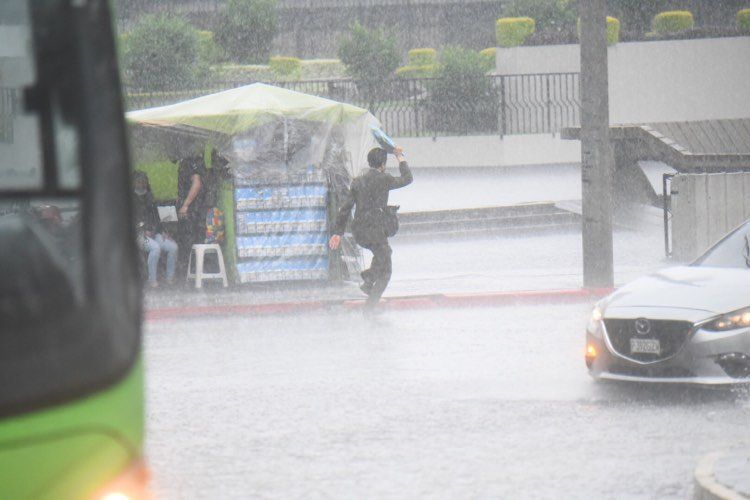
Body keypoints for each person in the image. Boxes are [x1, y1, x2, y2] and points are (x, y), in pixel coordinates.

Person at [329, 146, 413, 312]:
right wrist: (400, 157)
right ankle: (369, 303)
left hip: (360, 231)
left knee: (382, 253)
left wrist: (337, 233)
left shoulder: (358, 181)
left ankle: (369, 281)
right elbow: (407, 178)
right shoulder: (384, 179)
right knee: (386, 271)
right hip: (375, 231)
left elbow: (345, 208)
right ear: (382, 164)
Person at [133, 171, 178, 288]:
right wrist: (143, 229)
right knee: (155, 248)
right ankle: (152, 280)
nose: (141, 183)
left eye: (143, 181)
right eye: (138, 181)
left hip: (154, 233)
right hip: (138, 235)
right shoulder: (130, 200)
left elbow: (156, 218)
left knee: (173, 247)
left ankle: (169, 278)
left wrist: (163, 231)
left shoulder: (150, 197)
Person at [176, 151, 208, 273]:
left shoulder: (192, 161)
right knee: (187, 239)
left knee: (190, 240)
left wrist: (185, 205)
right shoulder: (186, 161)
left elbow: (197, 183)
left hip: (193, 210)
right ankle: (191, 271)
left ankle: (193, 271)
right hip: (190, 209)